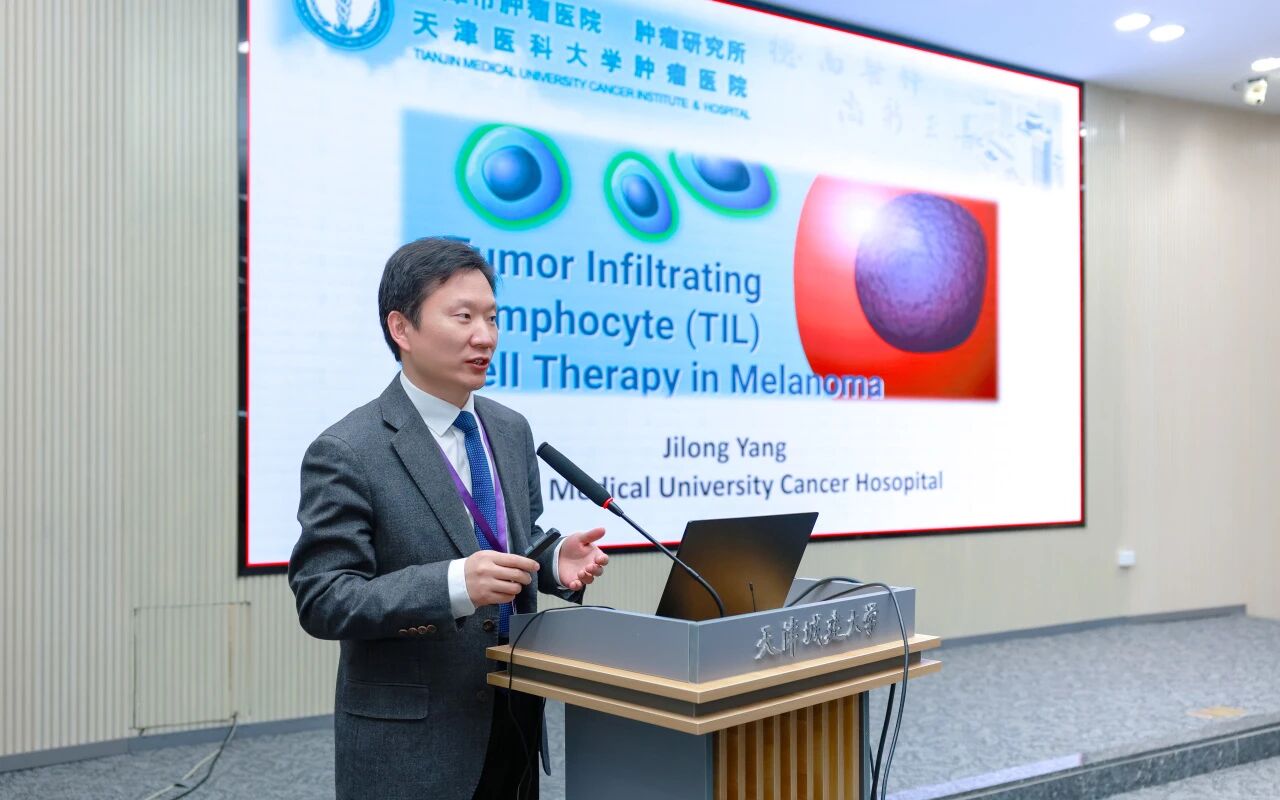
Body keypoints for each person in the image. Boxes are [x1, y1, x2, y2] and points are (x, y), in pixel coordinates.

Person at [288, 237, 609, 800]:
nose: (485, 336)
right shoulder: (348, 450)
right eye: (463, 317)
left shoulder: (509, 429)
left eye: (492, 317)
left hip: (513, 716)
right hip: (414, 741)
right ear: (402, 328)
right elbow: (324, 598)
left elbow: (514, 538)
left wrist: (553, 561)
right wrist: (453, 585)